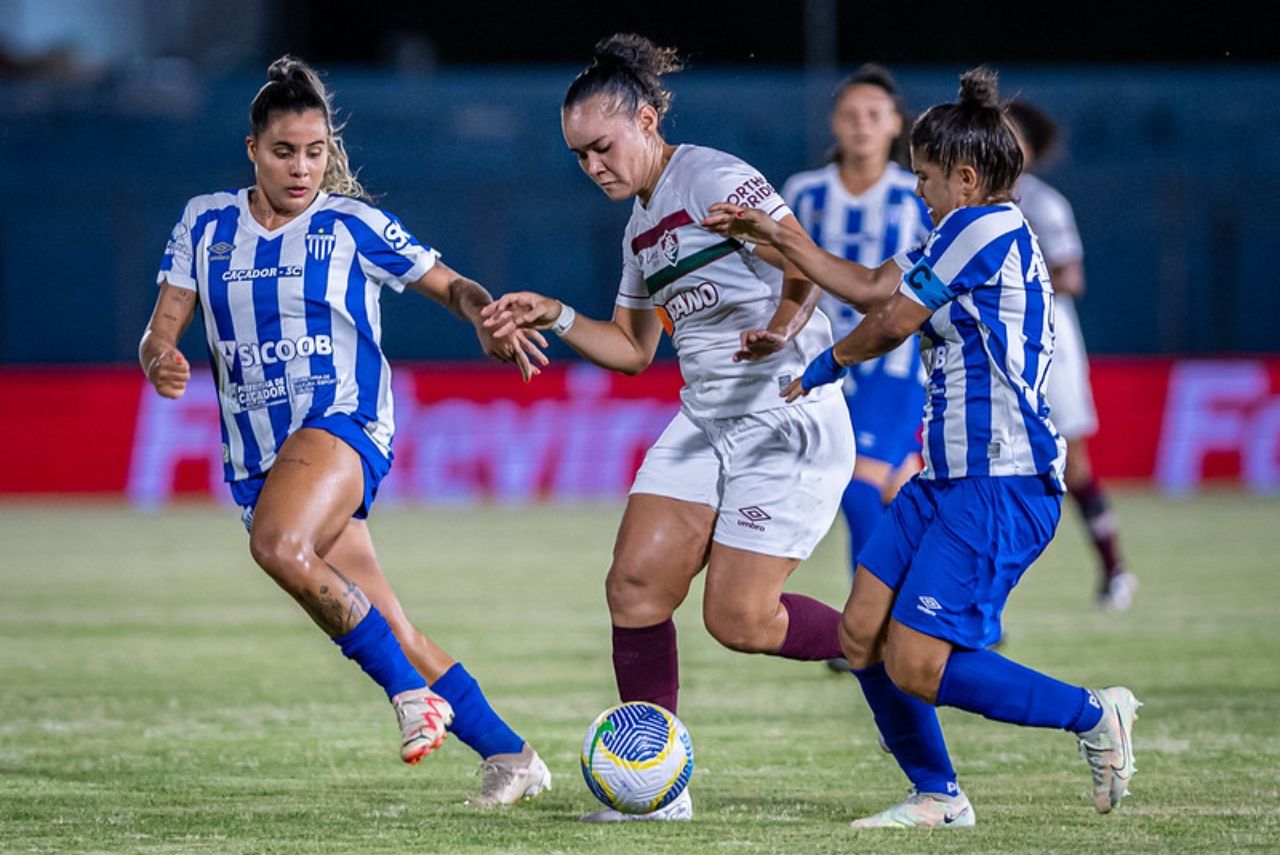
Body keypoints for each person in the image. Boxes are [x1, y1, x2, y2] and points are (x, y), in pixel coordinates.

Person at [704, 66, 1140, 829]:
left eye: (926, 177)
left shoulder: (989, 226)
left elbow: (891, 321)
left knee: (915, 661)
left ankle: (1093, 713)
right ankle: (938, 794)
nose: (917, 190)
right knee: (859, 632)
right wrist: (775, 236)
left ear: (966, 177)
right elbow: (871, 284)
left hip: (1001, 480)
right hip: (946, 478)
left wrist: (825, 365)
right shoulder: (957, 232)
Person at [139, 55, 553, 807]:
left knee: (276, 546)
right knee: (389, 622)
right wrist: (160, 357)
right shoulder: (205, 221)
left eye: (316, 150)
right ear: (252, 150)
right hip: (258, 456)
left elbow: (451, 282)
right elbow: (159, 331)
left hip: (344, 423)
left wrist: (484, 312)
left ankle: (407, 697)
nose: (302, 168)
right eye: (284, 151)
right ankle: (510, 752)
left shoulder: (350, 223)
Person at [481, 33, 855, 822]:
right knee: (635, 585)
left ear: (647, 119)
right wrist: (554, 310)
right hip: (707, 420)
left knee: (740, 619)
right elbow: (630, 349)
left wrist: (785, 328)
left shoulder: (713, 175)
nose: (593, 167)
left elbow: (804, 262)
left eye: (602, 146)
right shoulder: (639, 227)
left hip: (784, 416)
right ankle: (655, 791)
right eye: (579, 156)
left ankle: (882, 641)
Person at [780, 64, 932, 671]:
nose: (862, 125)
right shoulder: (805, 191)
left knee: (858, 483)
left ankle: (863, 631)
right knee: (902, 493)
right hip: (824, 360)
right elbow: (786, 269)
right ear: (834, 123)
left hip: (894, 366)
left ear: (896, 125)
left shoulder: (917, 193)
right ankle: (943, 615)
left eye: (874, 114)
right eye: (851, 114)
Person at [1006, 98, 1136, 611]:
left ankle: (1114, 567)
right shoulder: (968, 202)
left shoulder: (1043, 203)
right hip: (995, 347)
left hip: (1052, 345)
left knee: (1073, 467)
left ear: (1031, 152)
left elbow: (1072, 276)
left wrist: (1012, 277)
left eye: (1012, 136)